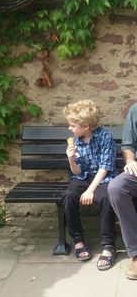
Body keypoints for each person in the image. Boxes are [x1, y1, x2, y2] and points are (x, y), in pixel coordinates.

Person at [63, 99, 117, 271]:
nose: (69, 129)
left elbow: (105, 168)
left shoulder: (105, 136)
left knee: (108, 198)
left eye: (72, 125)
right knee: (70, 196)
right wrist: (71, 159)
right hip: (83, 177)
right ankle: (78, 240)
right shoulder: (76, 141)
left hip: (103, 178)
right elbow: (78, 173)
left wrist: (90, 191)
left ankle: (108, 246)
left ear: (85, 126)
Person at [108, 102, 137, 280]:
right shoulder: (135, 110)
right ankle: (136, 251)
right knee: (116, 188)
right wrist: (130, 161)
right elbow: (128, 145)